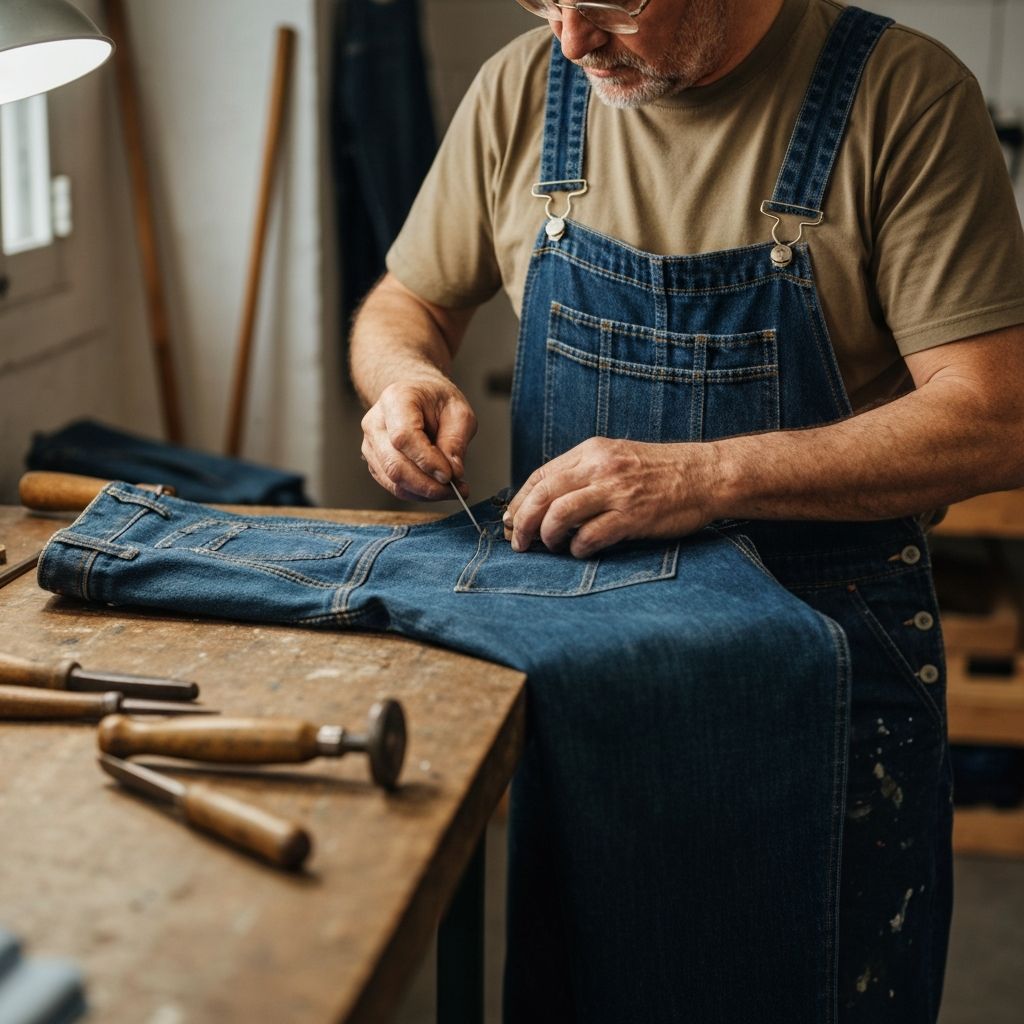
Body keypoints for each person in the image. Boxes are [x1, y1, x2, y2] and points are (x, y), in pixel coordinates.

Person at [350, 1, 1024, 1021]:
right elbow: (408, 302)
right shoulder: (525, 88)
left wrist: (698, 477)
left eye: (614, 5)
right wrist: (401, 378)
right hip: (587, 671)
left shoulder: (901, 99)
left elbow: (993, 418)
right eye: (544, 0)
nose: (571, 41)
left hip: (822, 679)